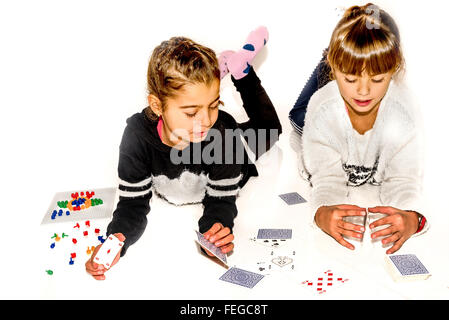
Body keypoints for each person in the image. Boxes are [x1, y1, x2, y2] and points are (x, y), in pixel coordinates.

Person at [85, 27, 282, 280]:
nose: (206, 120)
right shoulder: (136, 136)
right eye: (191, 112)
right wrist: (117, 238)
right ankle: (210, 84)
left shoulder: (222, 132)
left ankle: (241, 70)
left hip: (235, 149)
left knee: (270, 129)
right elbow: (133, 202)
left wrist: (215, 230)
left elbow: (221, 200)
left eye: (214, 105)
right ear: (157, 106)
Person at [290, 3, 428, 254]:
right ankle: (329, 57)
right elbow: (326, 180)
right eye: (351, 78)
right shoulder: (322, 111)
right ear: (335, 70)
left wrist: (412, 217)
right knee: (298, 120)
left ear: (394, 69)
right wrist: (321, 213)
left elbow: (404, 180)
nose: (363, 91)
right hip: (311, 122)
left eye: (377, 79)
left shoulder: (404, 113)